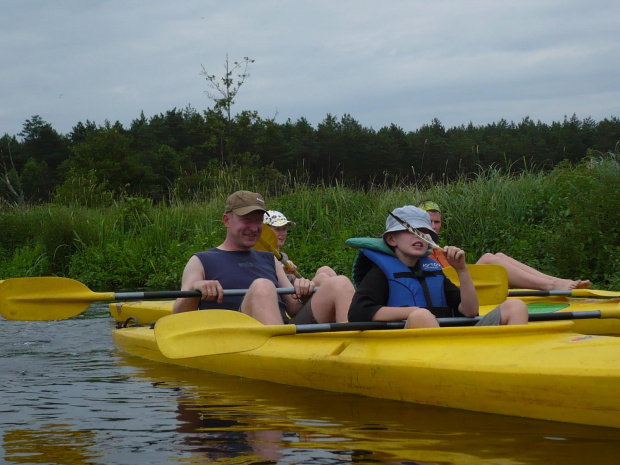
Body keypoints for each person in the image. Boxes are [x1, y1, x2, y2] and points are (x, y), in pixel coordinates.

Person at [172, 190, 354, 325]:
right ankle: (281, 355)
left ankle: (354, 348)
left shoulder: (270, 259)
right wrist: (195, 289)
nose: (254, 227)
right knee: (263, 286)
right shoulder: (200, 261)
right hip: (237, 336)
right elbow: (178, 318)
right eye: (246, 220)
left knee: (340, 283)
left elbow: (293, 308)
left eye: (258, 220)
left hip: (284, 332)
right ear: (226, 220)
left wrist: (304, 294)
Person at [348, 206, 528, 329]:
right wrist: (413, 311)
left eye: (426, 233)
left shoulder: (433, 270)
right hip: (408, 344)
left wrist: (462, 270)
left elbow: (470, 310)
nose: (420, 236)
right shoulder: (379, 273)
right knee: (421, 317)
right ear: (391, 240)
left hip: (452, 342)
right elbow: (357, 312)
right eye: (412, 230)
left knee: (516, 306)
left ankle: (513, 365)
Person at [417, 200, 591, 290]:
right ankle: (551, 286)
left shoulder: (437, 248)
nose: (433, 227)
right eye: (428, 221)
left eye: (437, 222)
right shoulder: (415, 246)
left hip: (458, 284)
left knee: (498, 256)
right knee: (487, 259)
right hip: (453, 291)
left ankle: (555, 281)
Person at [263, 210, 337, 286]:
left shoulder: (283, 256)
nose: (282, 233)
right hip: (287, 295)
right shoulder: (260, 257)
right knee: (322, 278)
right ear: (264, 231)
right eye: (277, 229)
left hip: (297, 290)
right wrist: (281, 271)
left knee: (325, 269)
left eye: (284, 229)